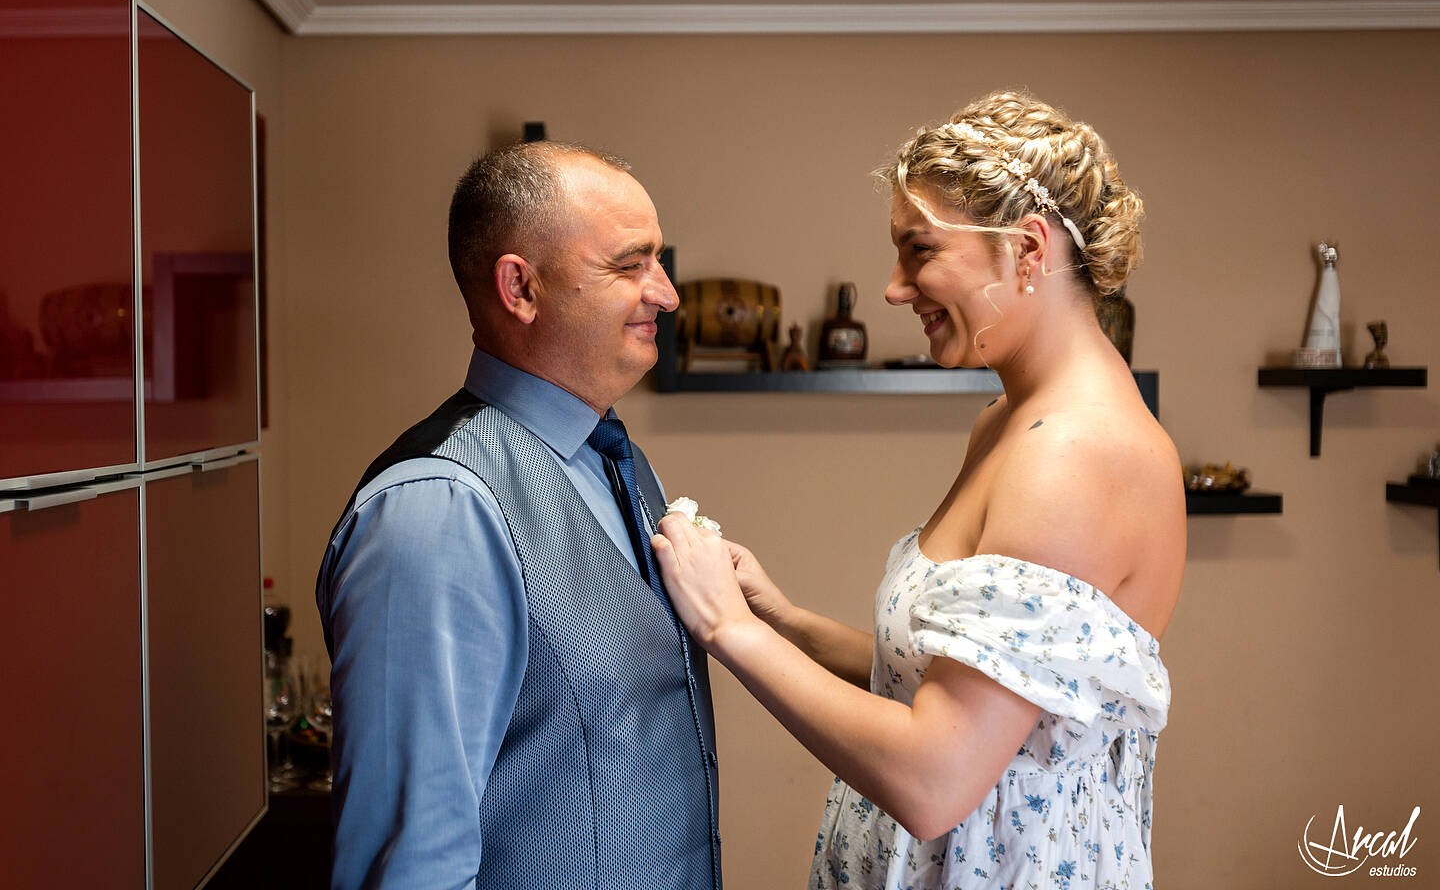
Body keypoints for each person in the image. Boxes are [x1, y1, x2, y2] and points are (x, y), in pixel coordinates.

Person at [653, 91, 1184, 889]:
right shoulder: (1009, 422)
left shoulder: (1075, 454)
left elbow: (936, 779)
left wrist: (727, 630)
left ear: (1027, 249)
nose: (895, 288)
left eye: (920, 251)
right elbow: (953, 683)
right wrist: (781, 620)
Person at [316, 141, 723, 890]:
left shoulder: (621, 465)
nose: (666, 294)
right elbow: (411, 867)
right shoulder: (438, 512)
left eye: (659, 262)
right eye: (630, 265)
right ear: (521, 288)